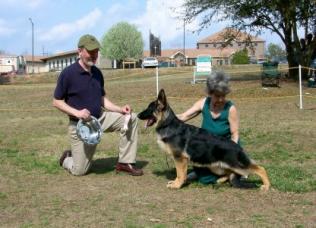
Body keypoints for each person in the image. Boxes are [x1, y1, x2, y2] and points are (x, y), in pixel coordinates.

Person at [53, 34, 143, 176]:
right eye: (90, 52)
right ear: (80, 51)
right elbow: (56, 101)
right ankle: (66, 158)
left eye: (96, 51)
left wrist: (121, 110)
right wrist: (77, 113)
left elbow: (102, 100)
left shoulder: (97, 73)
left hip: (101, 119)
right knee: (80, 170)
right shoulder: (68, 74)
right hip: (80, 125)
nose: (94, 55)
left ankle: (125, 163)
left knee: (132, 118)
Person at [177, 71, 240, 184]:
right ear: (210, 93)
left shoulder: (231, 108)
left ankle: (232, 171)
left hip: (224, 148)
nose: (220, 99)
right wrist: (165, 117)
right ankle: (211, 173)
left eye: (223, 96)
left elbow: (235, 135)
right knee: (205, 179)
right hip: (207, 148)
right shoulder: (203, 103)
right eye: (217, 96)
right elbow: (184, 116)